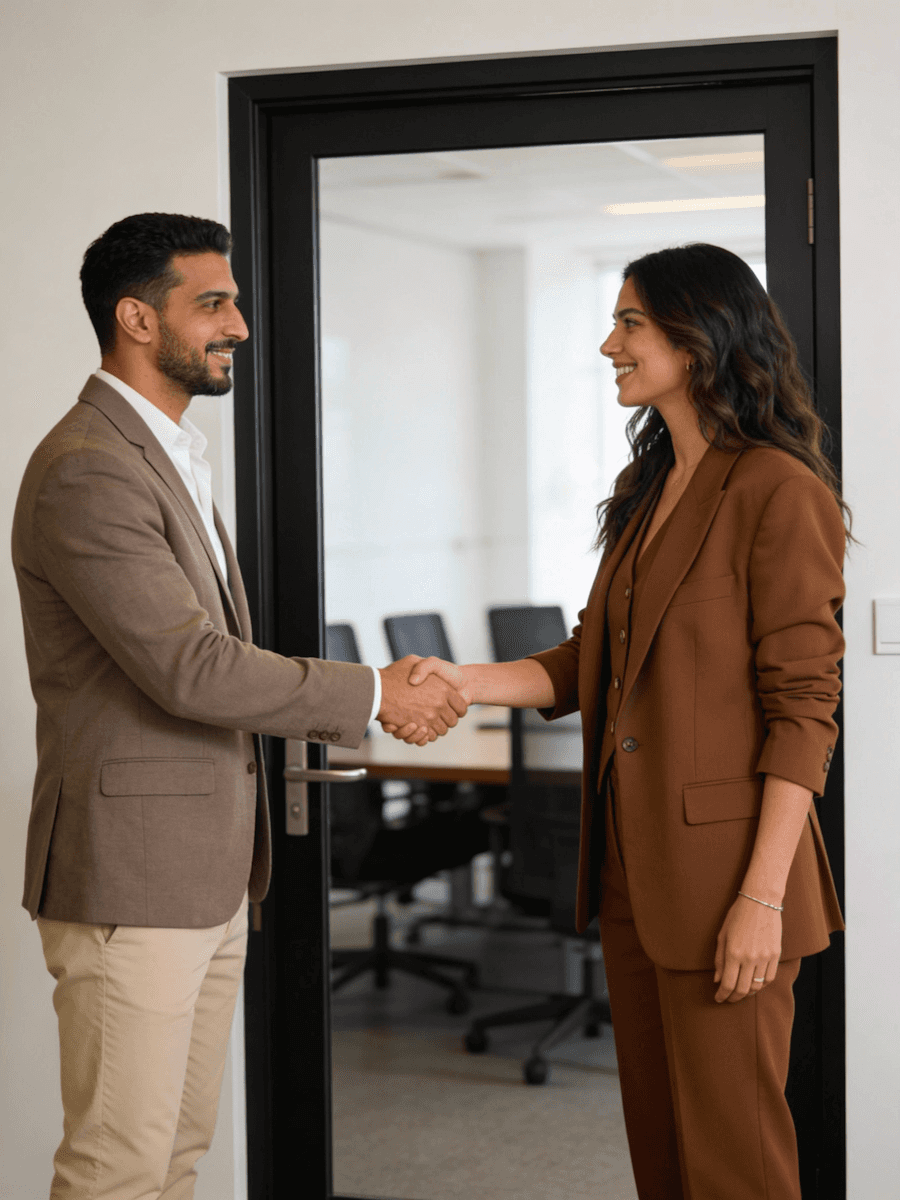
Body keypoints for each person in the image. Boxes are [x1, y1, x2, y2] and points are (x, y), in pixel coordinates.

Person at [11, 211, 467, 1200]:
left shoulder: (162, 453)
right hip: (133, 882)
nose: (240, 327)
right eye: (212, 303)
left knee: (175, 1157)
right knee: (116, 1169)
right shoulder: (88, 467)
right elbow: (193, 670)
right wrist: (380, 690)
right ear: (137, 317)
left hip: (207, 872)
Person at [400, 244, 849, 1200]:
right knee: (663, 1155)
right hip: (632, 875)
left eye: (630, 322)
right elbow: (586, 663)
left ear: (699, 334)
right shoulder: (649, 493)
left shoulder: (778, 490)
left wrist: (761, 900)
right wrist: (460, 679)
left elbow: (805, 712)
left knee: (736, 1164)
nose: (609, 344)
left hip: (731, 882)